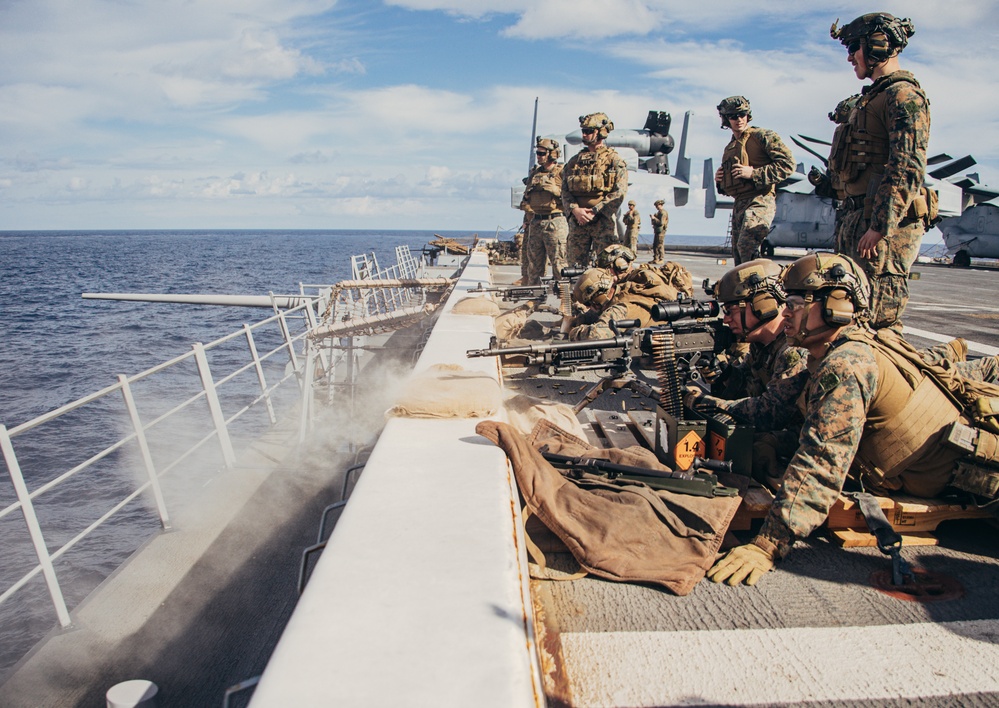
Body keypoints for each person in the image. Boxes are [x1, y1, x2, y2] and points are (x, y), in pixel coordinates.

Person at [705, 252, 999, 586]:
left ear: (837, 306)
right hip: (931, 475)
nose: (786, 312)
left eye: (798, 302)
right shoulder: (832, 353)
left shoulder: (846, 364)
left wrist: (769, 542)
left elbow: (821, 460)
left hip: (981, 479)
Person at [829, 13, 931, 331]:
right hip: (861, 219)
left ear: (875, 47)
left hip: (883, 229)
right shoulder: (872, 99)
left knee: (877, 319)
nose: (849, 57)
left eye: (853, 48)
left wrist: (880, 226)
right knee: (849, 313)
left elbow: (906, 166)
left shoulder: (903, 97)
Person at [714, 96, 795, 265]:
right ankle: (744, 289)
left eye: (742, 114)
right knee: (738, 254)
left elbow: (788, 165)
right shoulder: (730, 147)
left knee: (747, 245)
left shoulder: (763, 136)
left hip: (760, 199)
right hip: (739, 204)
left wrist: (754, 173)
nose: (739, 120)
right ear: (726, 120)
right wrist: (720, 180)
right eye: (733, 116)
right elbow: (732, 183)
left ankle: (758, 288)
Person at [561, 113, 629, 268]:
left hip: (603, 223)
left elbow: (619, 192)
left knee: (607, 268)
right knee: (574, 269)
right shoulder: (574, 162)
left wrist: (595, 211)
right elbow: (564, 190)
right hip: (578, 222)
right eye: (583, 131)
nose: (584, 134)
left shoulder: (614, 161)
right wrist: (575, 210)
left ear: (601, 132)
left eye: (589, 131)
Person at [567, 259, 693, 341]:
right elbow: (595, 315)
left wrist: (573, 333)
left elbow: (595, 335)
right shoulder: (625, 289)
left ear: (599, 298)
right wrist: (579, 320)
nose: (589, 307)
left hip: (674, 342)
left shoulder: (619, 309)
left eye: (589, 303)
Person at [519, 137, 568, 285]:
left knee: (559, 264)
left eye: (542, 153)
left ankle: (564, 301)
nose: (539, 157)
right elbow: (525, 199)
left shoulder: (562, 173)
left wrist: (555, 190)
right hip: (536, 222)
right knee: (534, 265)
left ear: (552, 154)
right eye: (538, 153)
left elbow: (570, 198)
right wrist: (528, 211)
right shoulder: (535, 174)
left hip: (555, 222)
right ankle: (534, 299)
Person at [650, 200, 668, 264]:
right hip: (657, 231)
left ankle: (661, 259)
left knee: (660, 245)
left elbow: (661, 223)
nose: (656, 207)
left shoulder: (663, 213)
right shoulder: (659, 212)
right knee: (655, 245)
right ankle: (656, 258)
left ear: (661, 205)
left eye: (657, 205)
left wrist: (654, 218)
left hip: (661, 232)